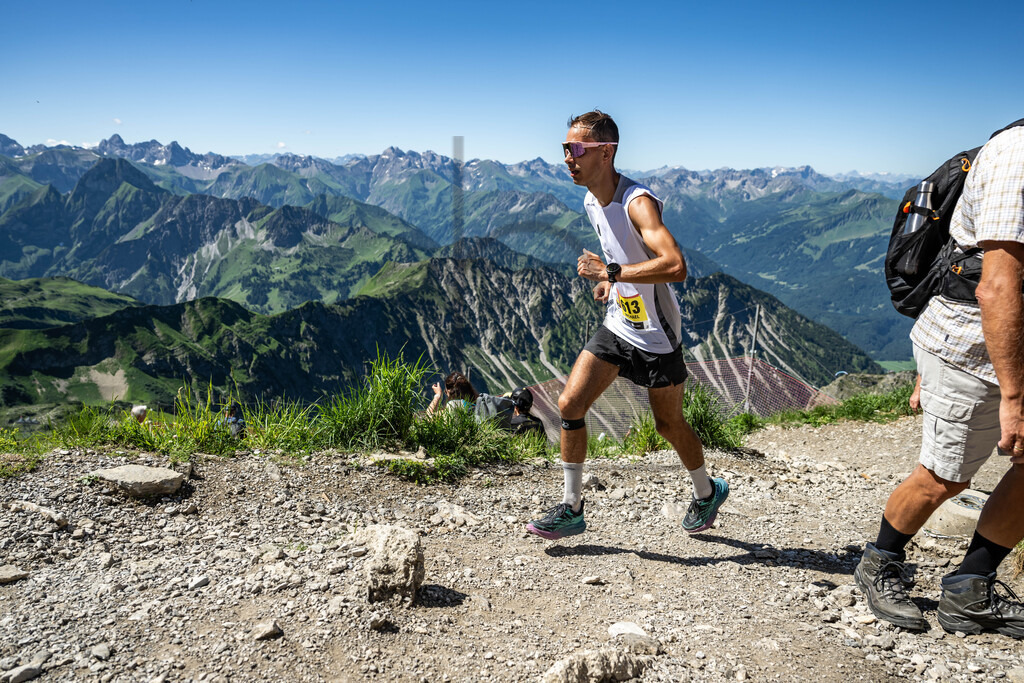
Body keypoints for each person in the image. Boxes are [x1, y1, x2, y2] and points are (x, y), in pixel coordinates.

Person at [526, 111, 729, 540]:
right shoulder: (589, 199)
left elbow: (675, 266)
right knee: (569, 405)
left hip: (657, 334)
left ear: (606, 152)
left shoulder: (637, 202)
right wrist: (610, 285)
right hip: (620, 326)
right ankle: (571, 508)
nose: (567, 158)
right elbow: (621, 257)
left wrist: (613, 273)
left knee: (668, 425)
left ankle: (707, 490)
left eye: (576, 149)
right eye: (564, 148)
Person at [854, 125, 1024, 637]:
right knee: (945, 477)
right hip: (970, 349)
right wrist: (1014, 398)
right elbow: (996, 287)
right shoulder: (1016, 155)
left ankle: (970, 587)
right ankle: (879, 560)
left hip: (1004, 347)